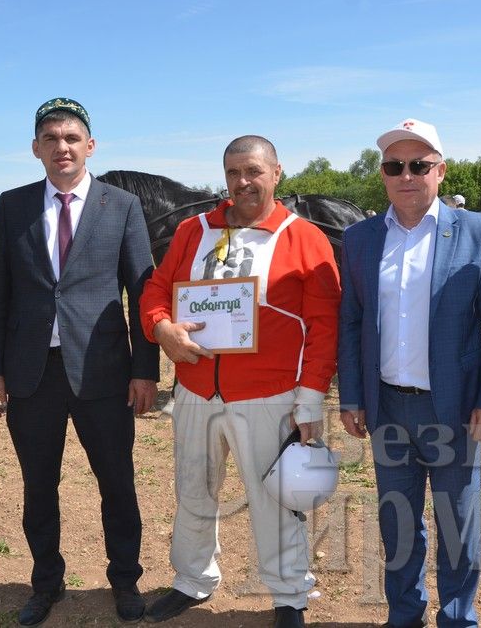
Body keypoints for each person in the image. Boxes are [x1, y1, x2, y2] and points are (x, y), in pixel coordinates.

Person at [139, 135, 339, 628]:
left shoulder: (304, 237)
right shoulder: (192, 230)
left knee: (275, 500)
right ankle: (192, 580)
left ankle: (290, 595)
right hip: (195, 391)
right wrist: (162, 328)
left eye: (253, 171)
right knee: (193, 490)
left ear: (276, 173)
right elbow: (156, 289)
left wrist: (310, 397)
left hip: (269, 396)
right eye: (233, 173)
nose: (243, 182)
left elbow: (324, 325)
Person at [0, 98, 160, 625]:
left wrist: (145, 370)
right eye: (51, 138)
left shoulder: (121, 205)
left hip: (103, 373)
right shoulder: (12, 206)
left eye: (72, 138)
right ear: (36, 148)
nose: (62, 147)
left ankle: (125, 580)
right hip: (31, 374)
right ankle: (47, 582)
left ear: (90, 146)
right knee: (39, 486)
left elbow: (142, 292)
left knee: (117, 483)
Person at [337, 119, 481, 627]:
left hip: (455, 406)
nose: (407, 175)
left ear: (440, 171)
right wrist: (351, 396)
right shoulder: (360, 239)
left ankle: (458, 616)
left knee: (458, 522)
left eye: (419, 165)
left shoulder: (477, 230)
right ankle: (405, 613)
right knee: (397, 521)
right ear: (383, 175)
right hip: (388, 405)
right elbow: (351, 322)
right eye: (396, 166)